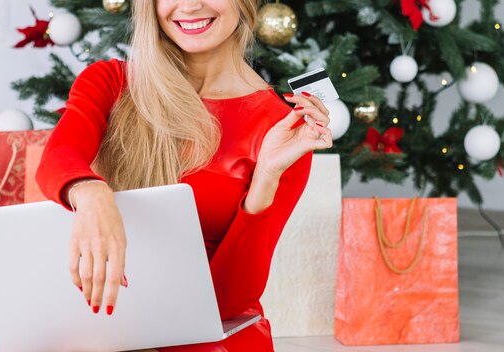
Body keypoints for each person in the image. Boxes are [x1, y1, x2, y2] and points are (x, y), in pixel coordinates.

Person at [35, 0, 333, 350]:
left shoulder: (283, 128)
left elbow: (228, 304)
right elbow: (57, 158)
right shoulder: (112, 82)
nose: (189, 5)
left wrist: (265, 178)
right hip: (109, 331)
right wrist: (91, 194)